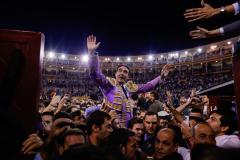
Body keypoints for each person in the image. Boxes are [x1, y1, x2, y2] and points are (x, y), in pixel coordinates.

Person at [87, 35, 174, 127]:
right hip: (113, 128)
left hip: (128, 129)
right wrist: (91, 54)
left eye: (125, 72)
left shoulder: (129, 88)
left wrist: (161, 77)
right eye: (120, 70)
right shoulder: (108, 84)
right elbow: (95, 74)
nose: (122, 73)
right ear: (115, 74)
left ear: (128, 76)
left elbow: (148, 86)